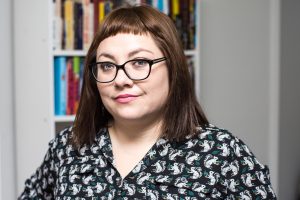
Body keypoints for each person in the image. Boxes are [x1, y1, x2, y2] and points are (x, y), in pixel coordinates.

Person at [19, 5, 277, 199]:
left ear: (173, 69)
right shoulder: (67, 147)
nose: (121, 79)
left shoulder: (222, 152)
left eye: (140, 62)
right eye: (107, 65)